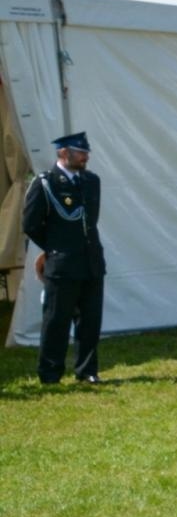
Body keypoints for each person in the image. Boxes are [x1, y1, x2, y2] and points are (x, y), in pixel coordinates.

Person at [22, 131, 107, 385]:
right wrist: (55, 248)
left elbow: (90, 222)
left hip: (90, 261)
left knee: (90, 321)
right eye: (80, 152)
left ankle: (87, 370)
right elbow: (31, 224)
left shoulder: (92, 181)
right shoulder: (46, 183)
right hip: (62, 264)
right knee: (56, 322)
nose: (85, 157)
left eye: (86, 152)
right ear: (63, 153)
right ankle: (50, 373)